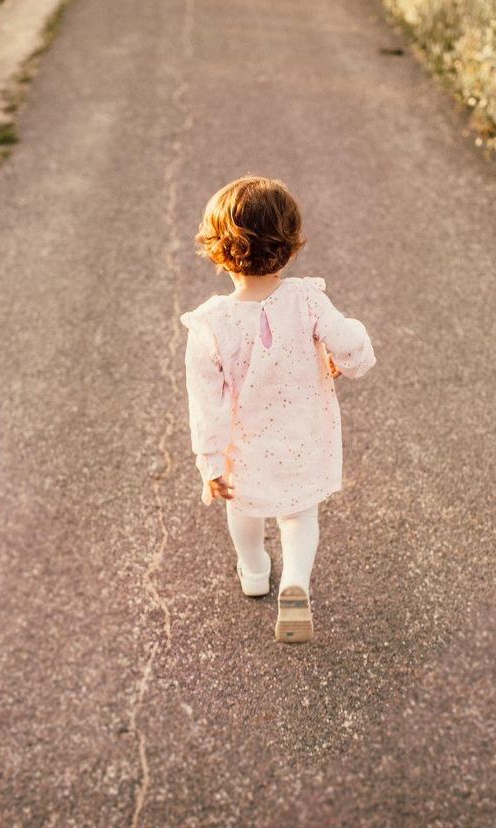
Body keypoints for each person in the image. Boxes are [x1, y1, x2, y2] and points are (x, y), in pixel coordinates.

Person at [179, 175, 376, 643]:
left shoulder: (210, 325)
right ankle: (295, 583)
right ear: (289, 247)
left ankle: (253, 570)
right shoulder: (307, 299)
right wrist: (348, 358)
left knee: (243, 507)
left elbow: (205, 403)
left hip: (244, 447)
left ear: (217, 249)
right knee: (298, 515)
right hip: (304, 436)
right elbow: (349, 343)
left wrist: (209, 462)